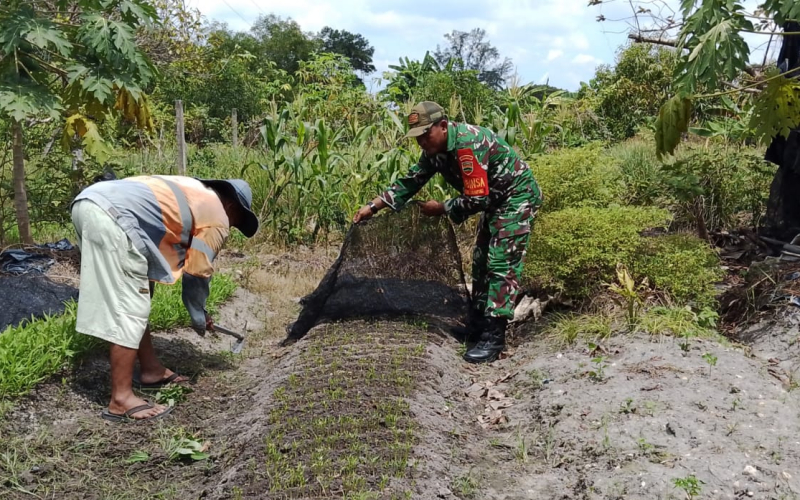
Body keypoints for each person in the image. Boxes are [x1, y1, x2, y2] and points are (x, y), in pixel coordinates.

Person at [354, 101, 543, 364]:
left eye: (425, 134)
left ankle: (494, 338)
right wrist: (373, 207)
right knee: (480, 261)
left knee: (501, 262)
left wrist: (442, 207)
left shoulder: (468, 145)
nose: (421, 141)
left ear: (442, 126)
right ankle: (478, 325)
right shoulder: (435, 149)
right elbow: (412, 180)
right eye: (416, 137)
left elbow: (477, 200)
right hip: (494, 200)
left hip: (515, 198)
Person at [70, 175, 259, 421]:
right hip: (112, 216)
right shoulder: (218, 216)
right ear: (231, 207)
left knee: (138, 294)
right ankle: (121, 399)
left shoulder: (190, 191)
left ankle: (151, 370)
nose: (230, 227)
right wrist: (198, 314)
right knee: (130, 306)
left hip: (89, 203)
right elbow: (197, 272)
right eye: (236, 221)